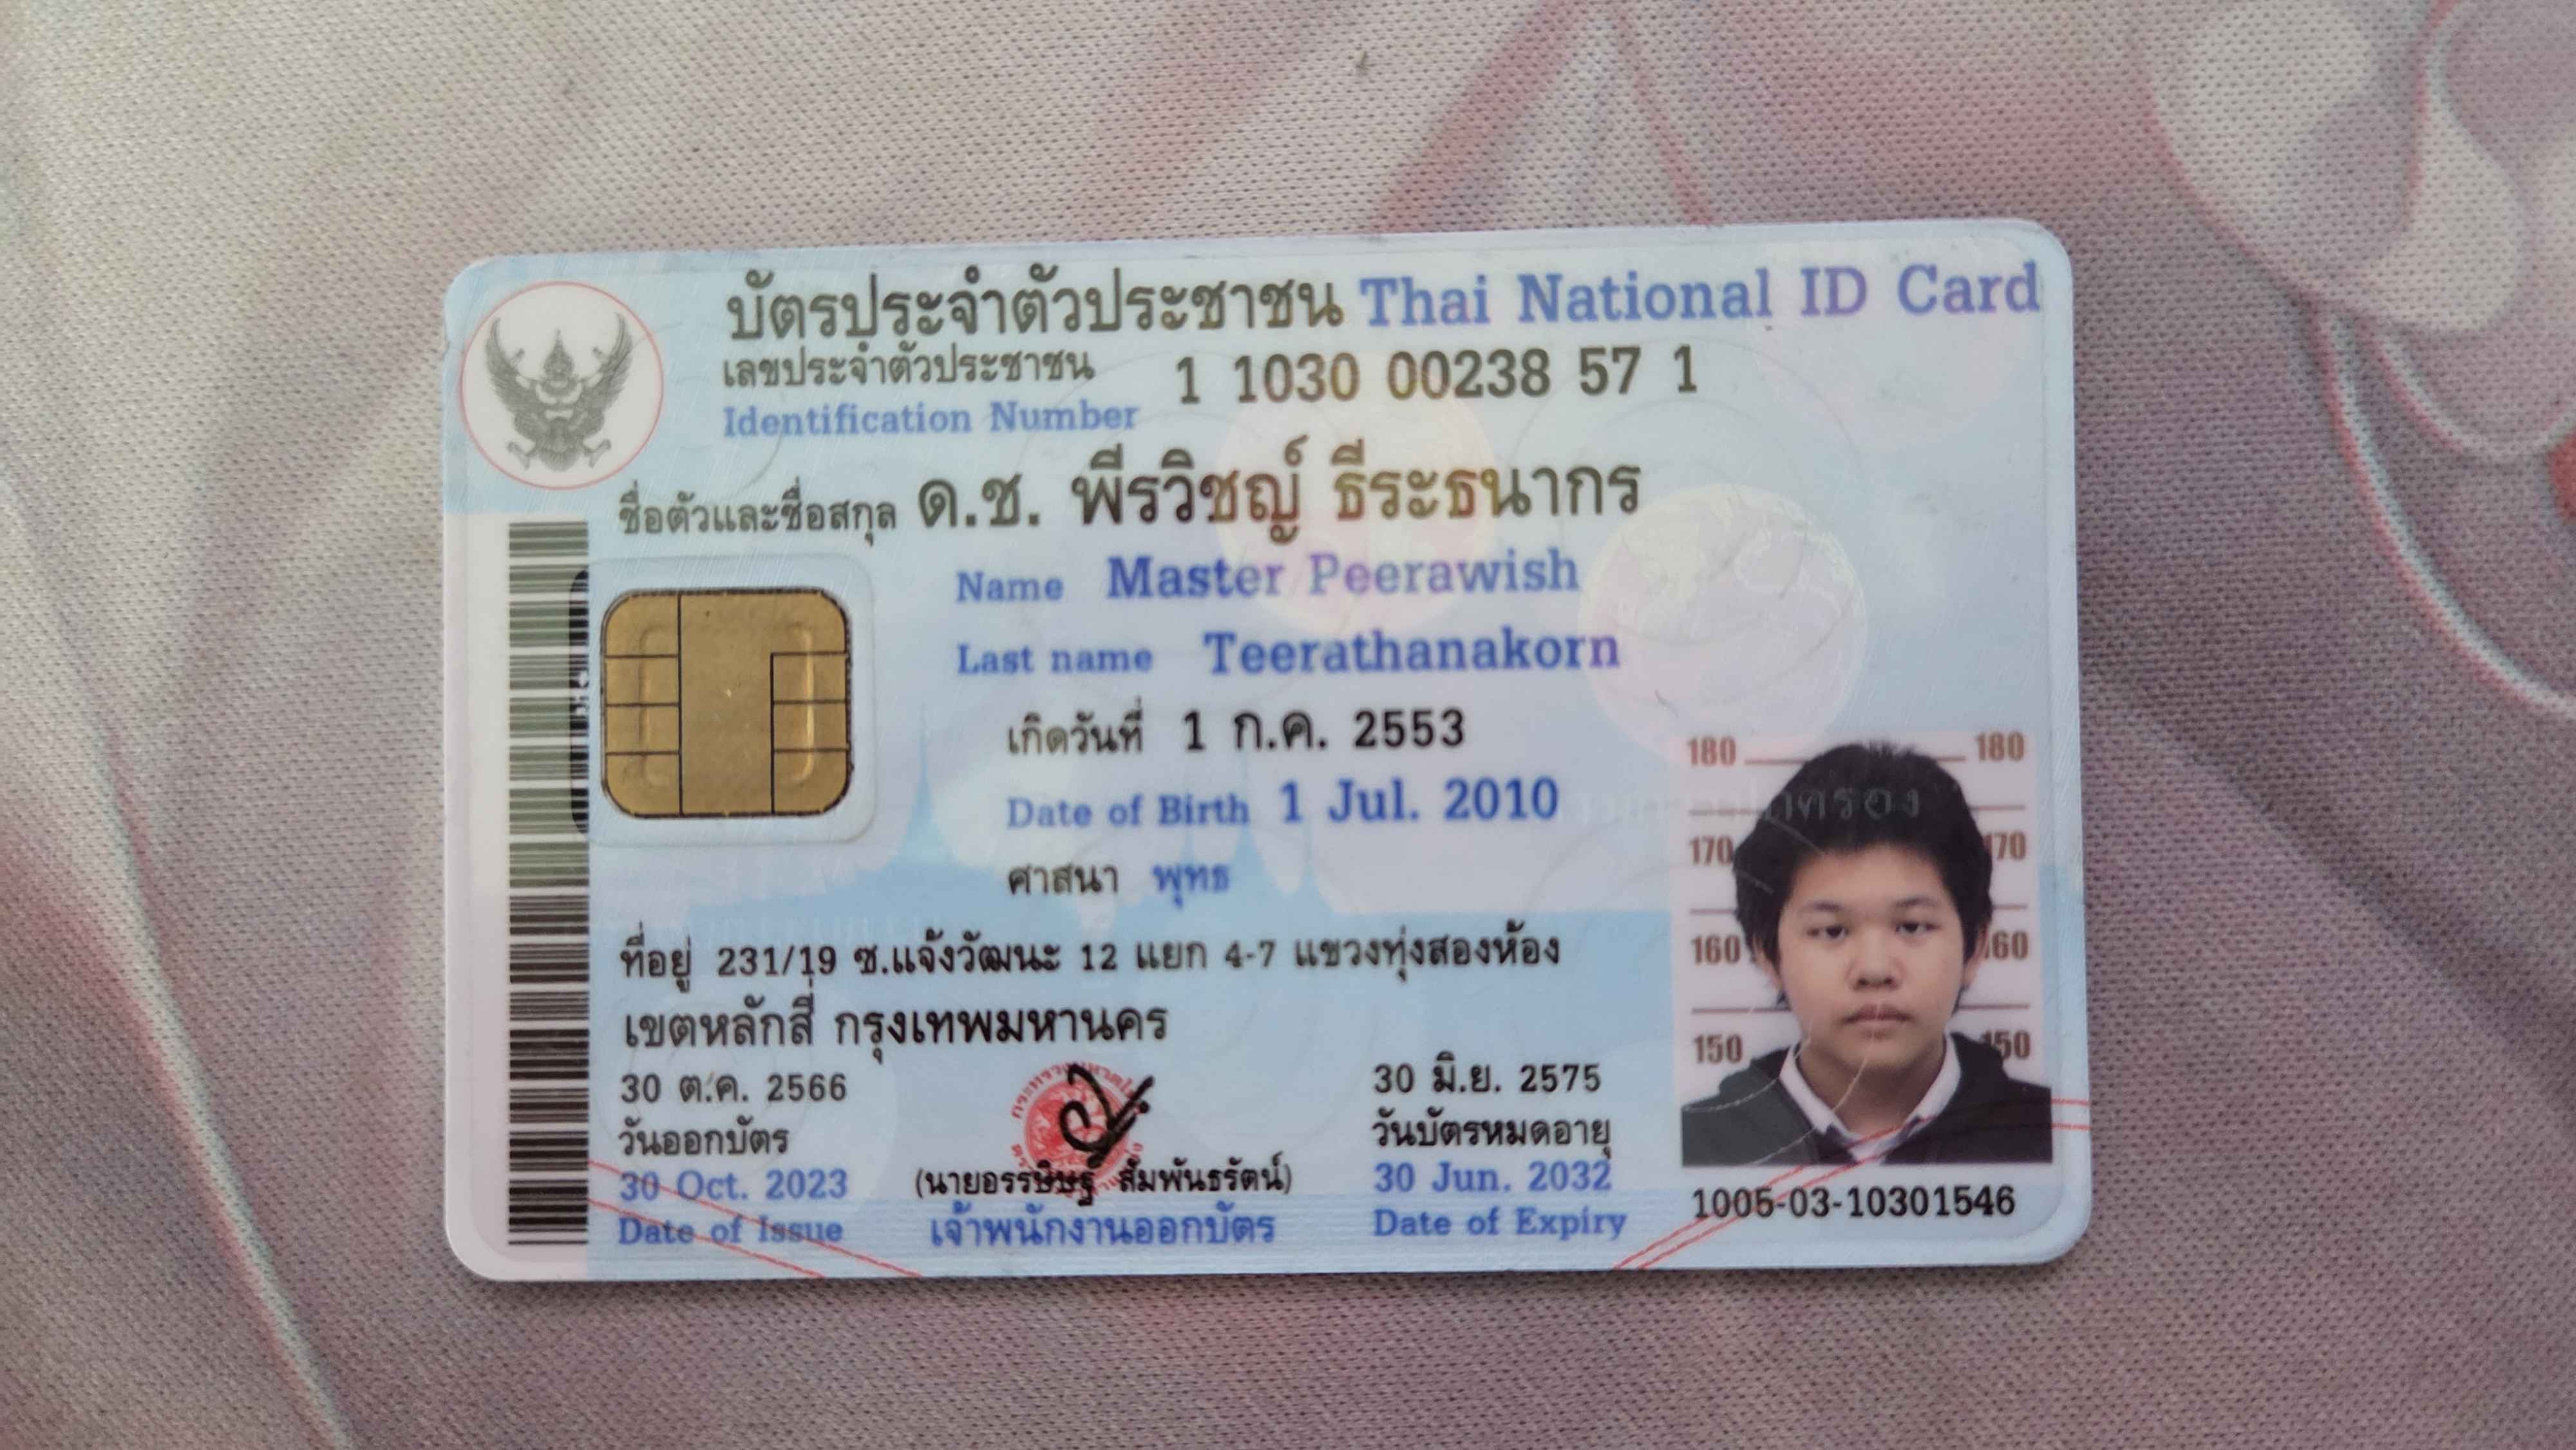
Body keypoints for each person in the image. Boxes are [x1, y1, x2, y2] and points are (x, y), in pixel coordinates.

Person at [1680, 742, 2052, 1166]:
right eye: (1832, 931)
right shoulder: (1695, 1148)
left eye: (1912, 926)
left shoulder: (2048, 1136)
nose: (1875, 970)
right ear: (1768, 954)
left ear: (1975, 948)